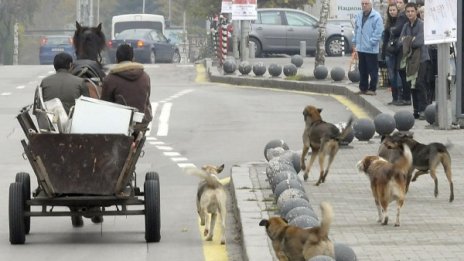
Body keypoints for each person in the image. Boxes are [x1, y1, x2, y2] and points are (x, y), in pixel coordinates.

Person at [101, 44, 153, 132]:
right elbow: (147, 99)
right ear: (133, 59)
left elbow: (104, 104)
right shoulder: (145, 77)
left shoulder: (110, 79)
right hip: (142, 122)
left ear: (116, 60)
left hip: (119, 124)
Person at [400, 2, 430, 120]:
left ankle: (424, 110)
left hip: (422, 58)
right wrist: (409, 40)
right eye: (408, 11)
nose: (410, 13)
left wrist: (407, 40)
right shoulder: (406, 26)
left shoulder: (422, 25)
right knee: (412, 85)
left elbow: (419, 42)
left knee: (419, 83)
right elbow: (400, 42)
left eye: (412, 11)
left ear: (416, 12)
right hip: (410, 60)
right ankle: (416, 110)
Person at [352, 0, 384, 96]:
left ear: (371, 5)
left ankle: (372, 88)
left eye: (366, 3)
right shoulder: (359, 15)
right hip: (361, 48)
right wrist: (355, 42)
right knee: (362, 69)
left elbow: (378, 32)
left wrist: (371, 42)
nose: (364, 5)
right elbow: (356, 30)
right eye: (363, 4)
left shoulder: (376, 16)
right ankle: (363, 88)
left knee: (372, 70)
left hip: (371, 49)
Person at [390, 0, 411, 106]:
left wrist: (392, 30)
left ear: (405, 4)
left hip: (403, 49)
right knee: (402, 73)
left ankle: (406, 98)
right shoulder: (400, 15)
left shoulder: (403, 16)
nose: (398, 4)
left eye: (400, 2)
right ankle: (404, 97)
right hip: (401, 48)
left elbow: (398, 30)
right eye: (397, 2)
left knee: (403, 73)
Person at [382, 3, 403, 105]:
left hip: (398, 52)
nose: (392, 12)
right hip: (389, 52)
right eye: (390, 10)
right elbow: (385, 40)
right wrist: (383, 53)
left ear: (397, 11)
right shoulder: (388, 23)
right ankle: (394, 98)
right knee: (391, 75)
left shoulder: (400, 22)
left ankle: (400, 97)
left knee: (398, 75)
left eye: (394, 10)